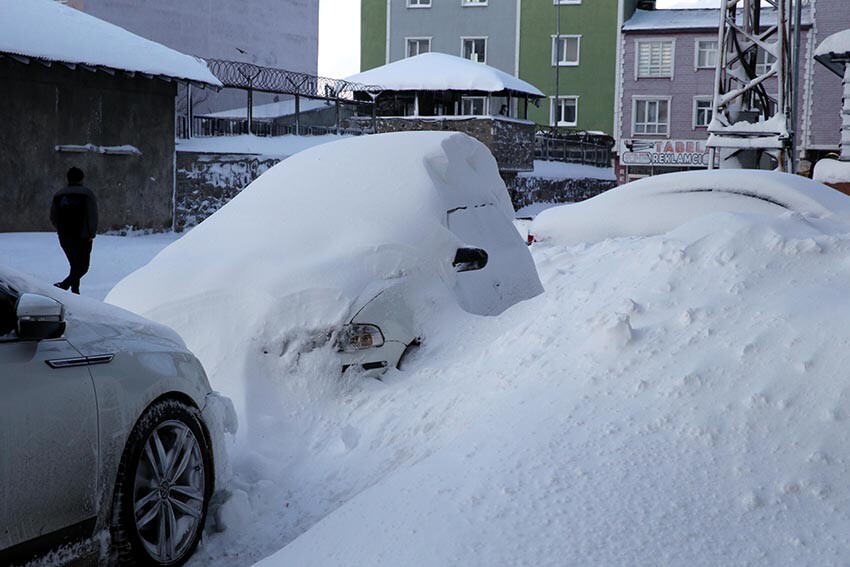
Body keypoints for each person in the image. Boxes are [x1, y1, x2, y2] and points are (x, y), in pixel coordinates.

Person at [50, 167, 98, 294]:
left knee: (74, 265)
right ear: (82, 179)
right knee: (83, 267)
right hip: (82, 236)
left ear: (68, 179)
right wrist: (91, 233)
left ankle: (75, 291)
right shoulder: (87, 194)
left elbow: (53, 216)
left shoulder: (59, 195)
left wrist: (60, 229)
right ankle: (64, 285)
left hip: (64, 236)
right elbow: (92, 215)